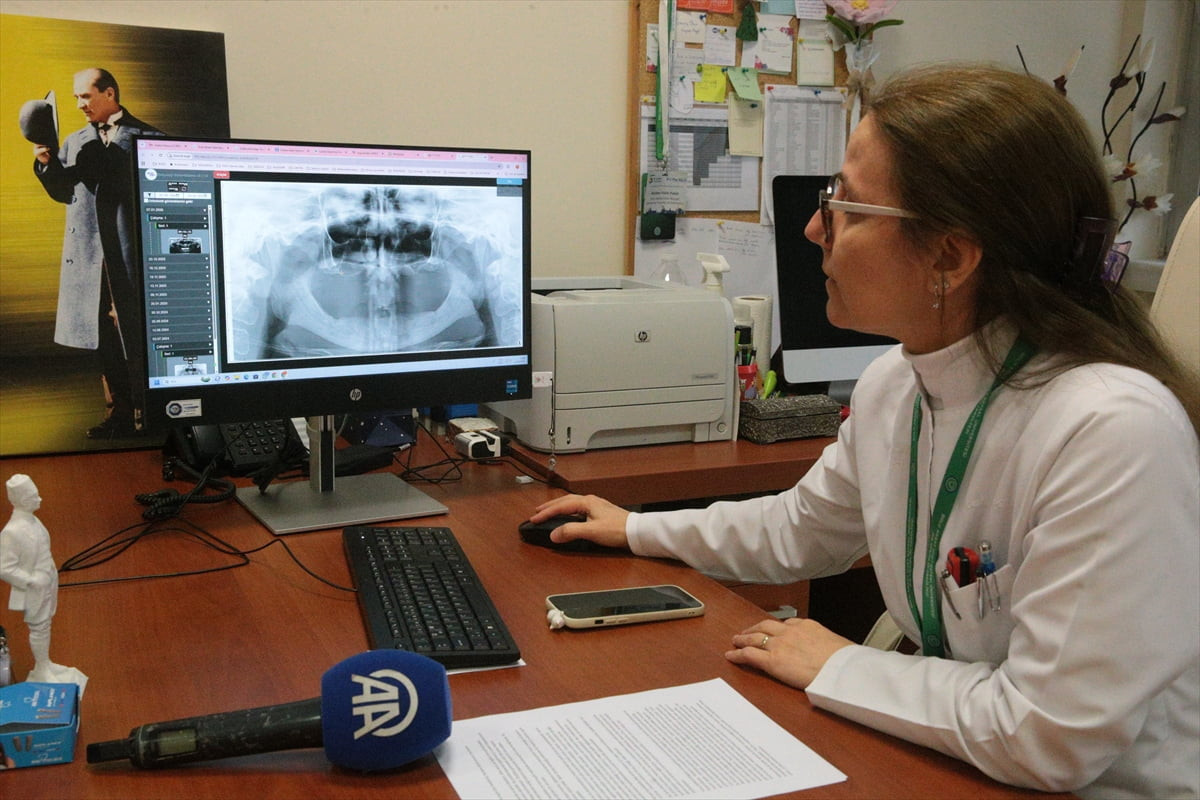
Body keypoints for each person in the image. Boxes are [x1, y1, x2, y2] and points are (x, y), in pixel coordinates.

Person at [531, 63, 1199, 799]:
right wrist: (636, 530)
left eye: (844, 205)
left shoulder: (1111, 431)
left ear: (950, 256)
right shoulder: (897, 384)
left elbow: (1048, 736)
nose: (816, 227)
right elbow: (800, 530)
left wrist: (835, 662)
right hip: (965, 761)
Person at [31, 68, 163, 438]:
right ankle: (120, 412)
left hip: (132, 257)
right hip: (90, 258)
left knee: (139, 332)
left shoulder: (150, 138)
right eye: (74, 98)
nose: (79, 105)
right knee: (102, 333)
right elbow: (62, 192)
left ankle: (150, 411)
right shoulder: (73, 142)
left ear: (109, 93)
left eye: (85, 96)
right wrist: (46, 163)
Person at [0, 474, 86, 690]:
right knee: (38, 627)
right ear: (19, 500)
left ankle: (45, 664)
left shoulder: (35, 520)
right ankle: (41, 668)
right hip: (34, 587)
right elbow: (4, 568)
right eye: (33, 496)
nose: (39, 499)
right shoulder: (11, 532)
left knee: (46, 624)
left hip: (48, 581)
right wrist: (30, 580)